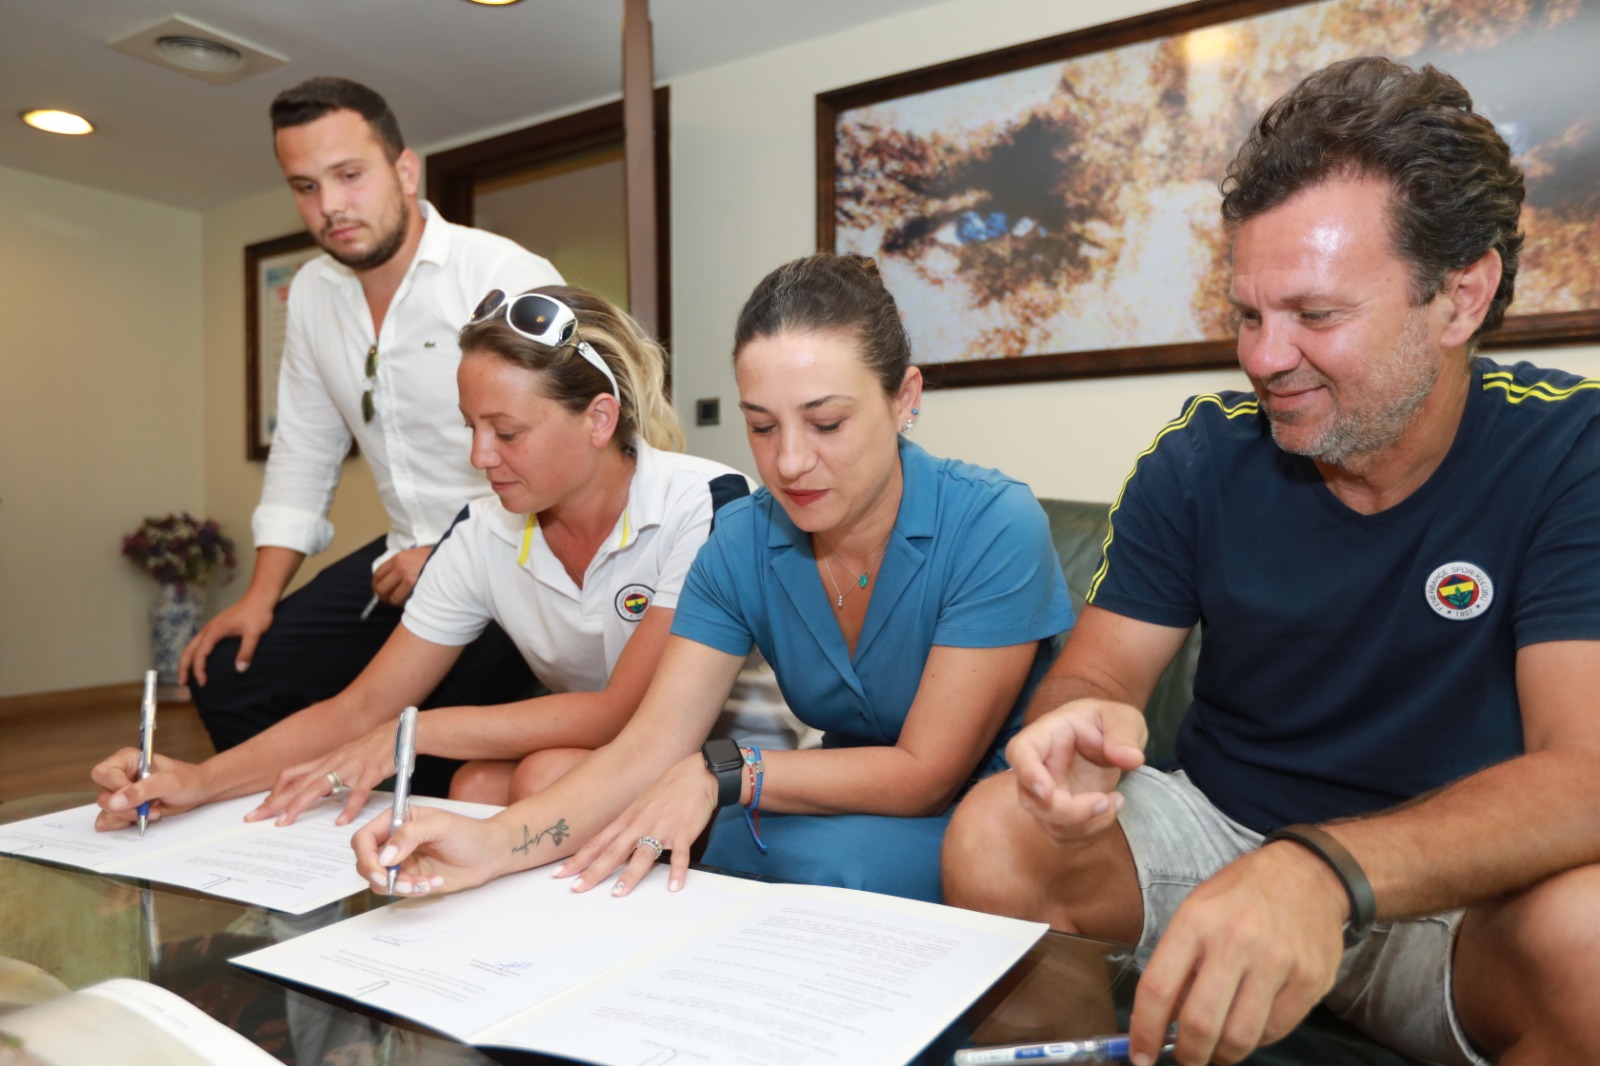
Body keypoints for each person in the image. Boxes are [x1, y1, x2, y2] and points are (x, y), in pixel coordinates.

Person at [943, 56, 1600, 1066]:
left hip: (1458, 888)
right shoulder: (1199, 456)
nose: (1261, 357)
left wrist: (1320, 869)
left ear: (1460, 297)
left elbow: (1583, 773)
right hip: (1222, 841)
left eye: (1315, 315)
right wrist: (1078, 721)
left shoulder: (1571, 452)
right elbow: (1095, 676)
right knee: (996, 831)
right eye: (1249, 314)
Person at [350, 252, 1074, 903]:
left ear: (905, 397)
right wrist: (489, 844)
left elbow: (926, 775)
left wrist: (726, 772)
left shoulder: (993, 523)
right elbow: (650, 743)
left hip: (995, 811)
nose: (789, 462)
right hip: (835, 797)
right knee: (686, 848)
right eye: (761, 426)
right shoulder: (741, 539)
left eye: (826, 423)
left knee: (807, 869)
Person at [94, 285, 802, 830]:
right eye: (471, 428)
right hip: (609, 756)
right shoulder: (483, 531)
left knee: (539, 776)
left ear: (598, 418)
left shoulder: (704, 503)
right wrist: (198, 781)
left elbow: (626, 713)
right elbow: (362, 705)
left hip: (736, 763)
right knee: (476, 786)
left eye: (507, 432)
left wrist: (411, 733)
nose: (479, 456)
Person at [183, 77, 563, 779]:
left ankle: (397, 836)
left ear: (405, 170)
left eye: (349, 175)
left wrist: (452, 552)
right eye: (305, 187)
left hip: (514, 559)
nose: (329, 205)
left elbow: (562, 449)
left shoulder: (499, 273)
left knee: (416, 733)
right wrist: (259, 598)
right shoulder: (312, 295)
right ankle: (296, 832)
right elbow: (303, 449)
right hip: (402, 554)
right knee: (231, 675)